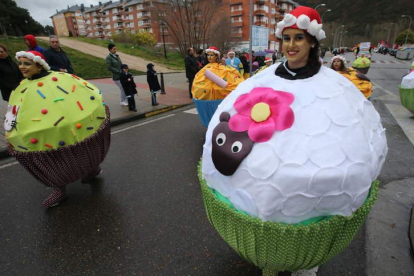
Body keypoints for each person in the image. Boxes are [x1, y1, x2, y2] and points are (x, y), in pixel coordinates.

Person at [198, 6, 386, 275]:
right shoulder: (263, 78)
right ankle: (266, 251)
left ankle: (303, 260)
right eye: (287, 38)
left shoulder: (334, 86)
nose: (291, 45)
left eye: (299, 38)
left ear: (312, 41)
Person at [5, 51, 110, 207]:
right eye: (20, 63)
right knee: (53, 161)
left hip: (76, 130)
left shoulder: (62, 79)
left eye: (27, 63)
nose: (22, 67)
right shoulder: (22, 88)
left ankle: (92, 169)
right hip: (44, 139)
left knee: (85, 149)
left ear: (39, 66)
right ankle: (59, 189)